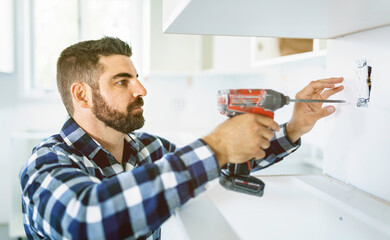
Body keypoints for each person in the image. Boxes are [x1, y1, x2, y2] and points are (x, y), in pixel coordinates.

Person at [19, 37, 344, 240]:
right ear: (82, 95)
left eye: (137, 78)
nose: (141, 90)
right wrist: (215, 146)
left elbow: (232, 158)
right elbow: (87, 222)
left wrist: (295, 127)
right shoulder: (46, 163)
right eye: (122, 81)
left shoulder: (147, 148)